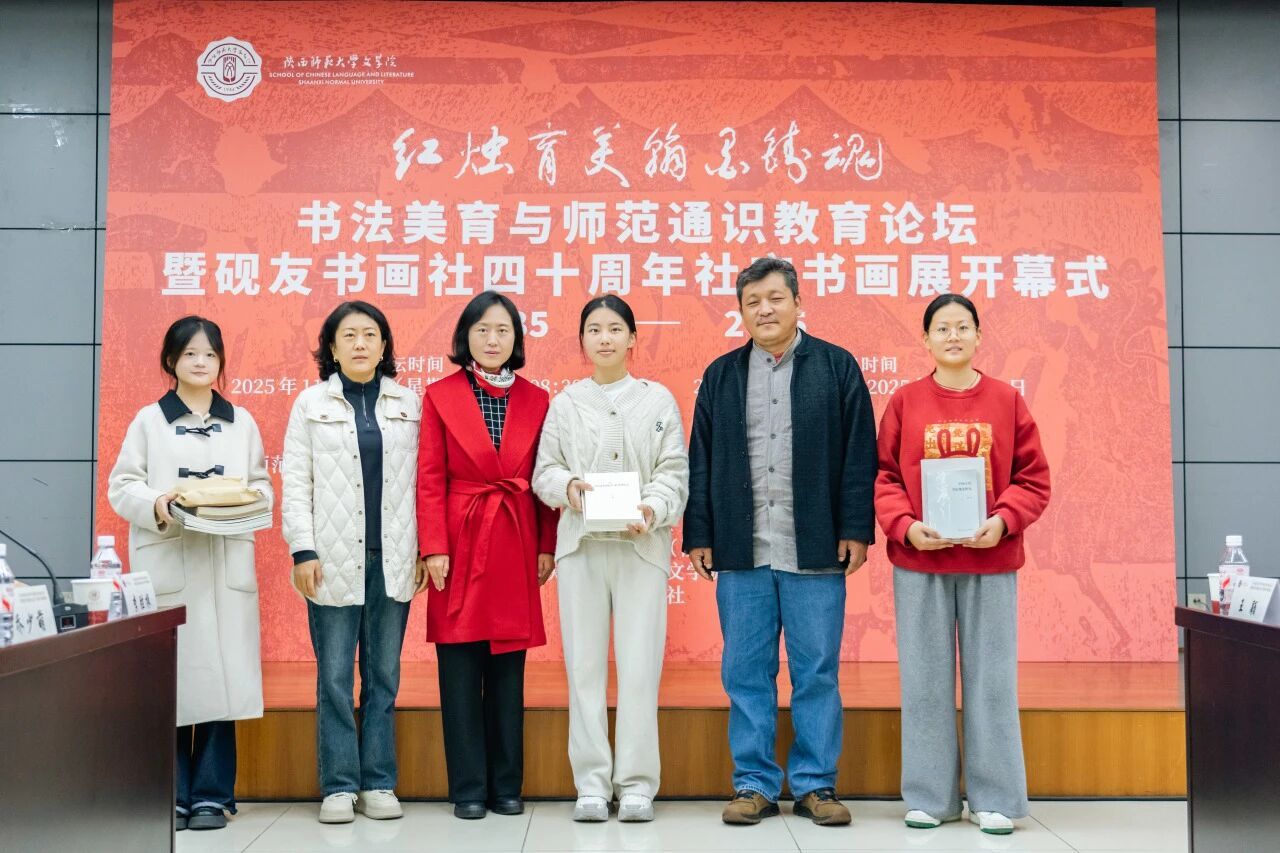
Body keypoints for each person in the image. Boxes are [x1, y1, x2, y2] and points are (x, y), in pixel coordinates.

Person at [682, 257, 877, 826]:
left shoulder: (836, 366)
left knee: (817, 670)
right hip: (742, 548)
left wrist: (855, 528)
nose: (764, 310)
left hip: (815, 548)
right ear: (740, 312)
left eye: (775, 298)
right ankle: (754, 784)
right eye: (752, 302)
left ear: (797, 303)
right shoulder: (721, 375)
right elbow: (701, 460)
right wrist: (701, 532)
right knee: (746, 671)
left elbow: (859, 454)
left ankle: (817, 785)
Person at [875, 293, 1051, 836]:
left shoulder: (1007, 400)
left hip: (990, 560)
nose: (953, 336)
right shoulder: (905, 401)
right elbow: (884, 477)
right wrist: (906, 525)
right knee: (924, 681)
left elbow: (1033, 478)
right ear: (925, 339)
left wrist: (1004, 520)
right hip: (920, 562)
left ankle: (994, 798)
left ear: (978, 336)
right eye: (942, 328)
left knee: (991, 682)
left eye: (962, 327)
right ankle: (930, 798)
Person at [108, 316, 273, 832]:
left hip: (225, 563)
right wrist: (160, 502)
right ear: (171, 361)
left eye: (210, 355)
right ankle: (174, 795)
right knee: (173, 683)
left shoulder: (240, 421)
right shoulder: (149, 422)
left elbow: (263, 485)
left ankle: (212, 796)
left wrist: (241, 500)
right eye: (190, 354)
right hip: (171, 560)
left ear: (221, 362)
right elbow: (122, 486)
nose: (201, 363)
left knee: (222, 680)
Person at [533, 295, 689, 823]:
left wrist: (652, 507)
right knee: (584, 668)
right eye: (594, 329)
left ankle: (638, 784)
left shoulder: (657, 400)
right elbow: (545, 471)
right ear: (582, 341)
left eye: (615, 328)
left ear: (632, 339)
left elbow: (674, 471)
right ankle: (592, 784)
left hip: (641, 547)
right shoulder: (566, 403)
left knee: (641, 667)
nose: (604, 338)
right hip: (581, 548)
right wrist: (570, 487)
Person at [281, 300, 425, 825]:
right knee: (335, 678)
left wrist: (425, 548)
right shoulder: (310, 404)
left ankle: (379, 781)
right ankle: (340, 786)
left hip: (394, 557)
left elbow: (424, 483)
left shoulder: (409, 404)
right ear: (332, 348)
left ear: (384, 346)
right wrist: (303, 549)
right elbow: (296, 482)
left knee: (384, 676)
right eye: (349, 335)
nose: (360, 343)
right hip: (332, 558)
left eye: (370, 335)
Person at [416, 291, 557, 820]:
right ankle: (469, 788)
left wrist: (546, 545)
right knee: (458, 670)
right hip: (460, 537)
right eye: (482, 330)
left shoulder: (537, 399)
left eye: (502, 330)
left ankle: (506, 786)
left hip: (516, 537)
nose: (492, 339)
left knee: (507, 671)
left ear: (516, 338)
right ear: (465, 337)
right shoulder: (440, 395)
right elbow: (429, 477)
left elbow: (544, 479)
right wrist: (433, 546)